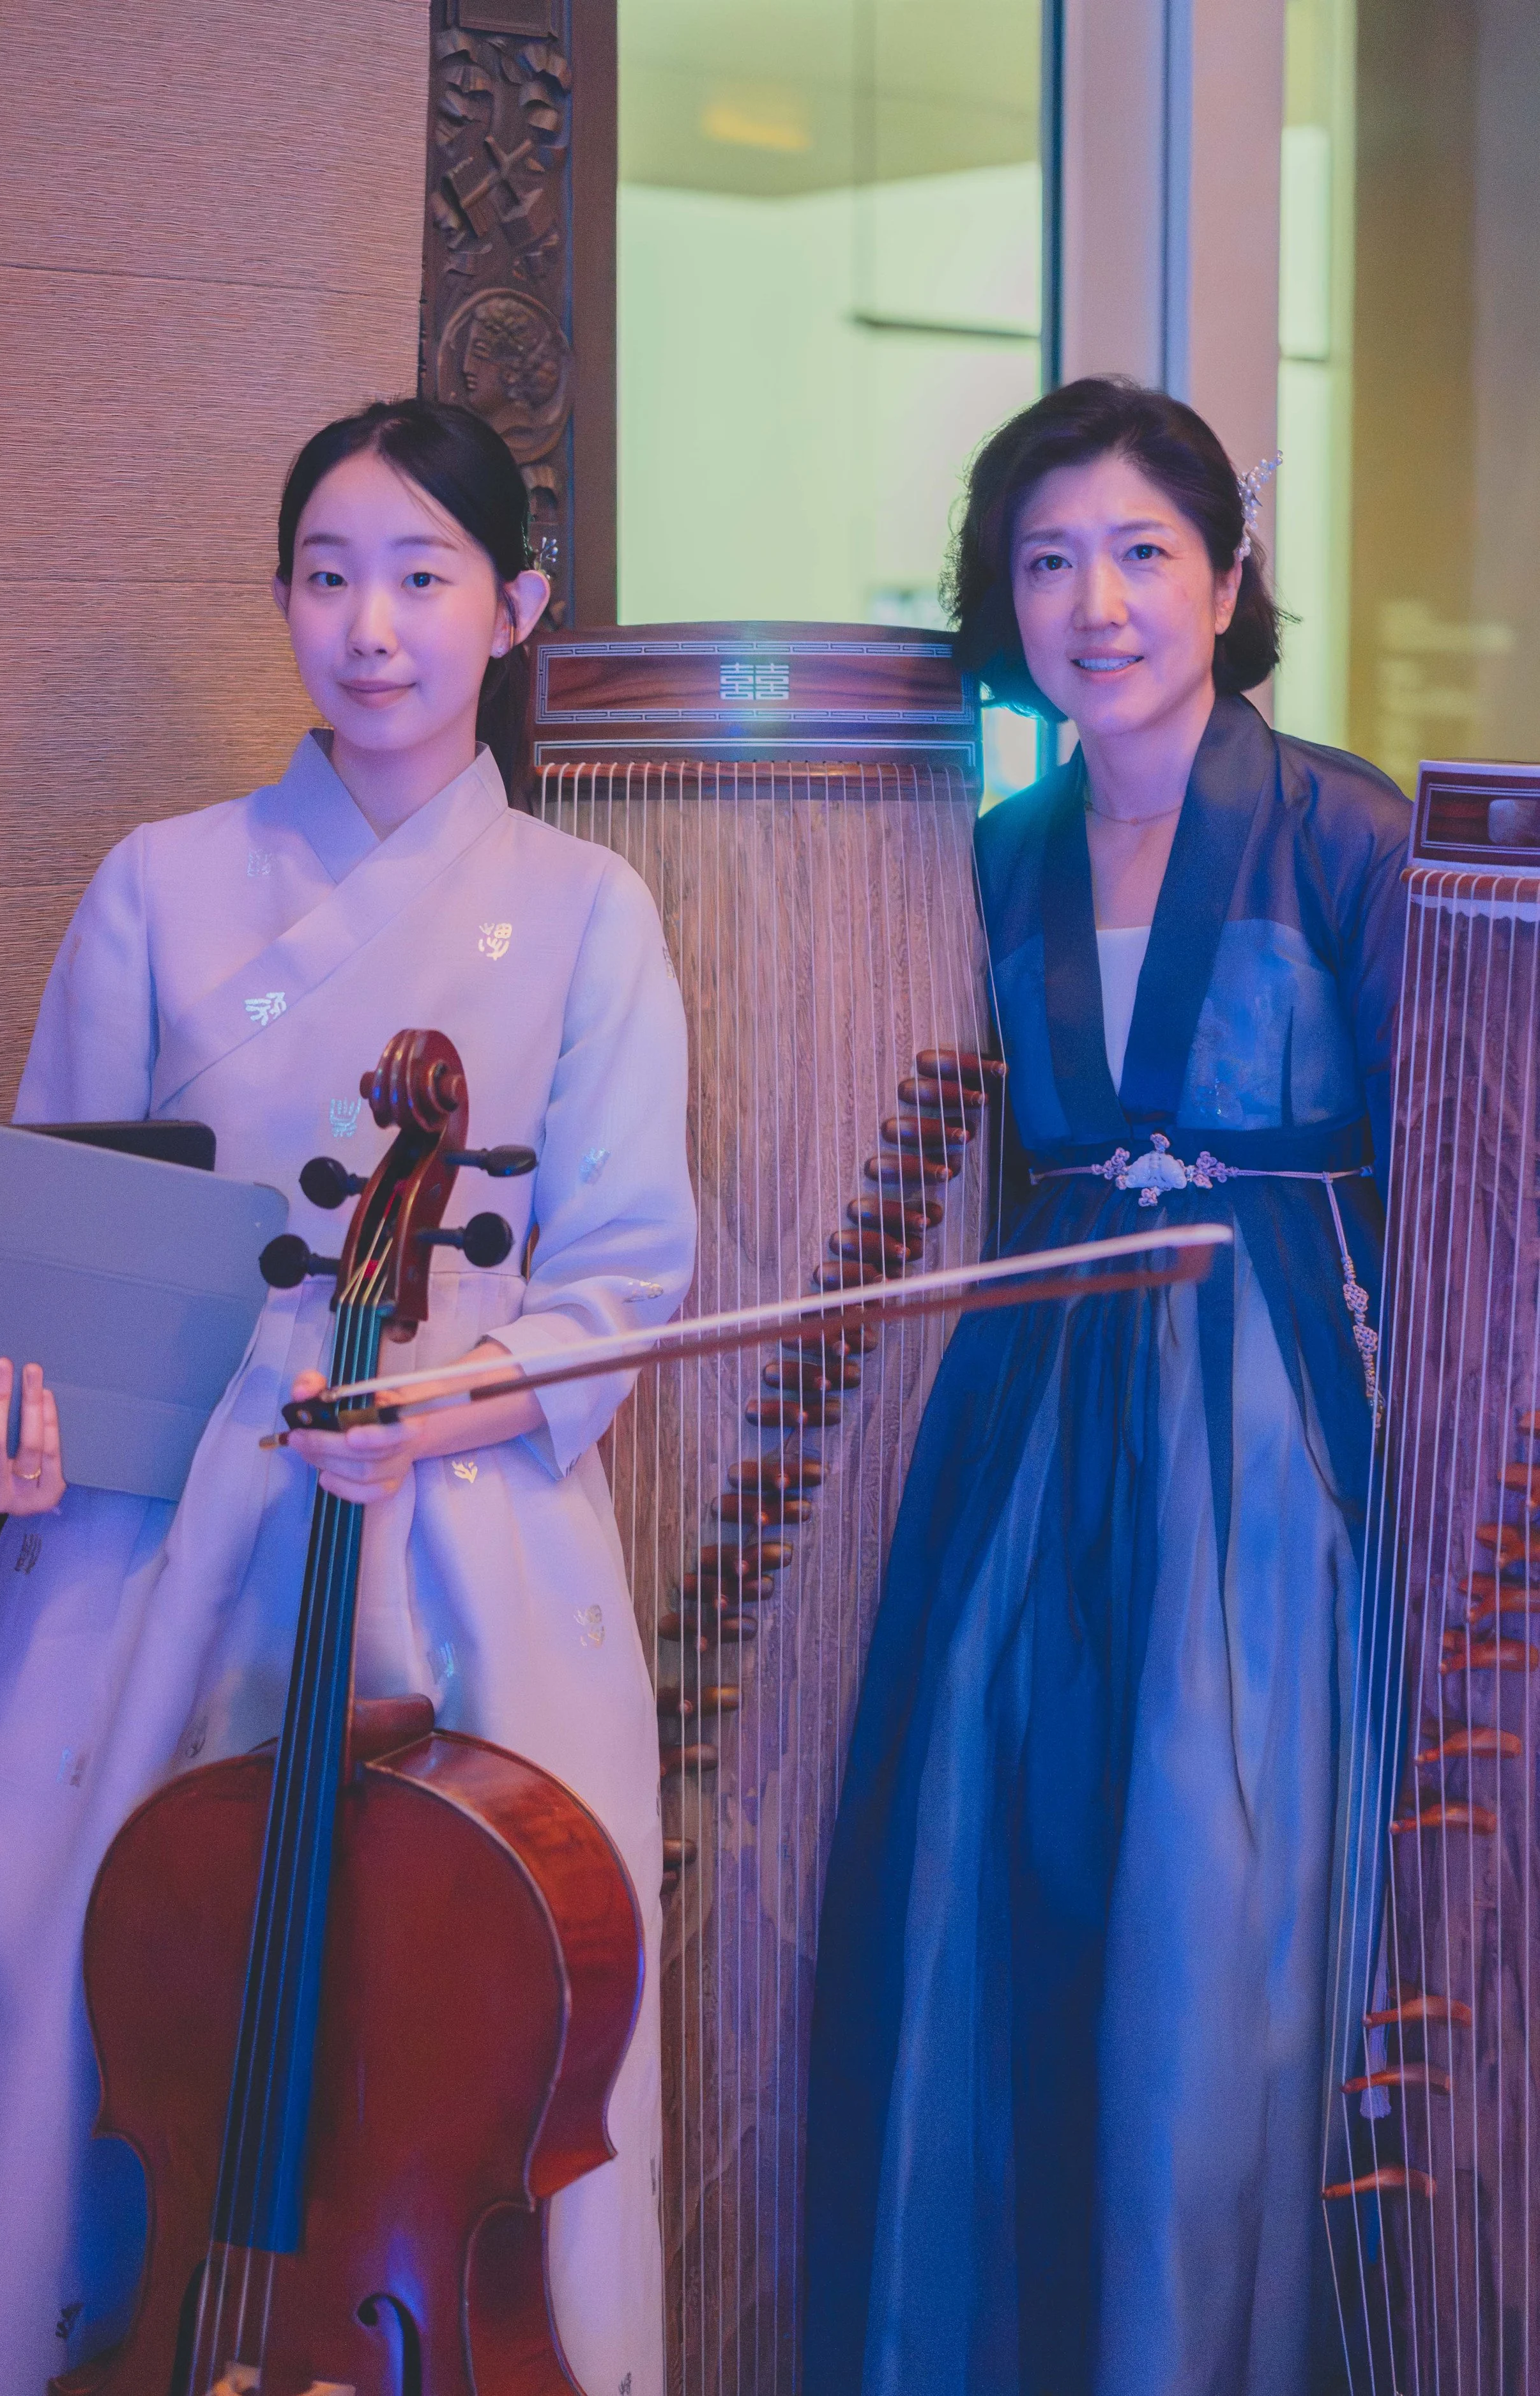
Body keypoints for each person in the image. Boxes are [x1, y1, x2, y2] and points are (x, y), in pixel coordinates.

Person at [0, 396, 695, 2396]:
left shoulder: (592, 913)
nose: (371, 626)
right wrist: (7, 1418)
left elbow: (626, 1278)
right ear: (282, 603)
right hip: (165, 1520)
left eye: (423, 577)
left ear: (513, 608)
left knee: (467, 2028)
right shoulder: (157, 884)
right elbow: (50, 1252)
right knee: (71, 1963)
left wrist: (449, 1404)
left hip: (458, 1526)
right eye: (328, 577)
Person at [804, 377, 1409, 2396]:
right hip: (1036, 1401)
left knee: (1215, 1910)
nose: (1097, 600)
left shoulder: (1352, 832)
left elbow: (1460, 1177)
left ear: (1230, 580)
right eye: (1047, 558)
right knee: (1003, 1874)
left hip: (1275, 1412)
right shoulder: (997, 851)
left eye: (1143, 550)